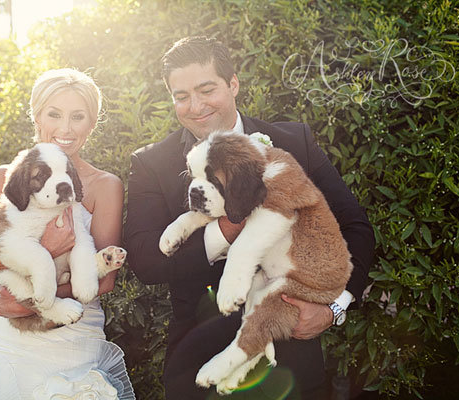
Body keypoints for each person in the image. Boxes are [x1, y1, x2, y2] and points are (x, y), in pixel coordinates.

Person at [124, 36, 375, 399]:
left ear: (234, 84)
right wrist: (228, 229)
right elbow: (147, 262)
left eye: (206, 89)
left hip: (291, 360)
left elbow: (355, 227)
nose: (195, 106)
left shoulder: (294, 140)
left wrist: (334, 308)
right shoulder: (151, 163)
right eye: (181, 96)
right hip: (198, 361)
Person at [0, 68, 135, 400]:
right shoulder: (3, 177)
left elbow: (106, 280)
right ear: (37, 115)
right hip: (7, 336)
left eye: (78, 116)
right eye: (54, 114)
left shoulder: (105, 186)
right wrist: (44, 250)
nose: (66, 128)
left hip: (72, 336)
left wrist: (31, 305)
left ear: (92, 122)